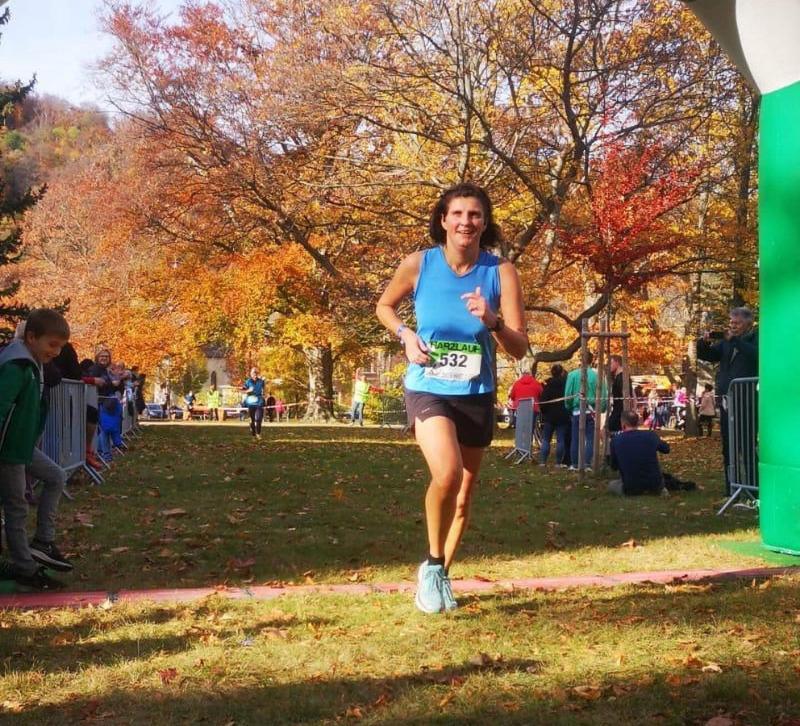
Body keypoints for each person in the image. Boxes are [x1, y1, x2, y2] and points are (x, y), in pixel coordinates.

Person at [376, 182, 528, 614]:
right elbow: (384, 306)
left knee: (463, 495)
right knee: (447, 473)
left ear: (485, 222)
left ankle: (440, 574)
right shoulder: (419, 264)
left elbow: (519, 348)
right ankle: (431, 564)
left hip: (476, 392)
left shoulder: (501, 272)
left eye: (474, 214)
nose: (466, 222)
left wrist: (493, 320)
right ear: (443, 220)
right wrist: (406, 336)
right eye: (457, 214)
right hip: (428, 386)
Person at [0, 309, 74, 589]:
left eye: (60, 347)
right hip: (8, 449)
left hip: (23, 444)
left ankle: (43, 541)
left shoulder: (33, 363)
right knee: (16, 506)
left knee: (56, 476)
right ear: (31, 337)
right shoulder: (16, 366)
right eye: (52, 345)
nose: (56, 352)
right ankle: (25, 568)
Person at [697, 307, 758, 494]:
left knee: (747, 445)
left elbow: (756, 355)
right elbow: (708, 355)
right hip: (726, 401)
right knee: (728, 445)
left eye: (737, 323)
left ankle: (753, 488)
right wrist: (703, 343)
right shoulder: (725, 342)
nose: (733, 326)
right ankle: (731, 487)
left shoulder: (755, 338)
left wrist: (735, 341)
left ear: (748, 323)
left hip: (746, 400)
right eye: (731, 322)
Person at [608, 411, 670, 496]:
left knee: (611, 485)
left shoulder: (616, 440)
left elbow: (614, 466)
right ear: (638, 423)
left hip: (630, 487)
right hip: (654, 484)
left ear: (623, 424)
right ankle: (660, 489)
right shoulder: (650, 436)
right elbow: (666, 449)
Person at [564, 351, 607, 471]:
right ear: (591, 361)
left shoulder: (572, 375)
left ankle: (575, 463)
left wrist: (569, 407)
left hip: (577, 410)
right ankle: (587, 463)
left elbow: (568, 394)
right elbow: (603, 395)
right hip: (591, 412)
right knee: (590, 439)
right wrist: (601, 408)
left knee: (575, 438)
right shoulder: (597, 376)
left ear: (580, 360)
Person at [539, 364, 570, 467]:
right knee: (560, 440)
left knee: (546, 439)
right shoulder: (566, 385)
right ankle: (558, 462)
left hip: (549, 416)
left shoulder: (547, 385)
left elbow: (543, 402)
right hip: (563, 416)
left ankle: (543, 461)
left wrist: (544, 413)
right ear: (562, 372)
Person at [607, 355, 633, 435]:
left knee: (609, 428)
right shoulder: (619, 377)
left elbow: (628, 395)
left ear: (617, 363)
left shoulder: (622, 377)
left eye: (611, 363)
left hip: (620, 412)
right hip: (618, 410)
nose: (609, 366)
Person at [242, 367, 266, 440]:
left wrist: (264, 395)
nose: (254, 374)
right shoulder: (248, 381)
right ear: (251, 374)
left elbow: (264, 390)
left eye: (256, 372)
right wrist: (248, 390)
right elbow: (243, 390)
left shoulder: (261, 381)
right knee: (252, 420)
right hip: (251, 402)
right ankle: (253, 434)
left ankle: (258, 434)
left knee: (259, 419)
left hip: (259, 402)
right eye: (253, 373)